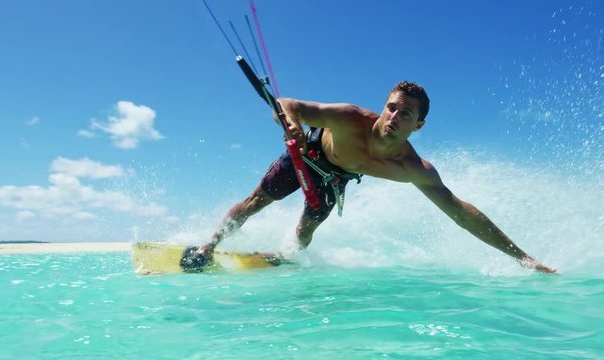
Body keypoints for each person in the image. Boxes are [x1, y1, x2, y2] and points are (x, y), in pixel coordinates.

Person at [181, 81, 555, 273]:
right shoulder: (347, 118)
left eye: (405, 114)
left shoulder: (412, 169)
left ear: (418, 125)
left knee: (306, 231)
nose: (394, 116)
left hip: (335, 178)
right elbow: (287, 104)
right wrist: (292, 123)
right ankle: (208, 246)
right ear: (383, 107)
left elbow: (460, 212)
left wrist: (521, 257)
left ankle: (286, 258)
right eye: (391, 107)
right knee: (256, 201)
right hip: (308, 153)